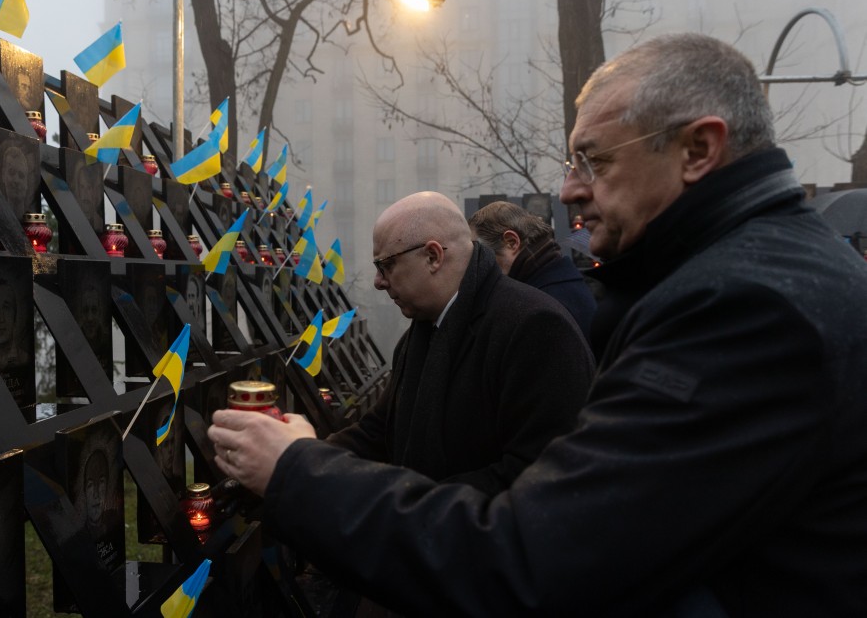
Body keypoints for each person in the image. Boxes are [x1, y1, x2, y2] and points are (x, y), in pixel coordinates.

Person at [208, 33, 867, 615]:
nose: (568, 190)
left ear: (697, 149)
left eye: (594, 160)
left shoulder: (744, 309)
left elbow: (535, 560)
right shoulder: (743, 277)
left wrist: (297, 470)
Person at [325, 191, 594, 495]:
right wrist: (302, 457)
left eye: (386, 265)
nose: (378, 281)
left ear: (433, 256)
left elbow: (538, 476)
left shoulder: (536, 327)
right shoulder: (420, 332)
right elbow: (380, 431)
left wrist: (404, 504)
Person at [468, 200, 596, 342]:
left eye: (480, 253)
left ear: (511, 242)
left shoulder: (543, 305)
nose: (479, 264)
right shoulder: (560, 282)